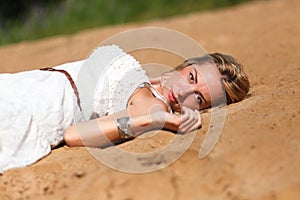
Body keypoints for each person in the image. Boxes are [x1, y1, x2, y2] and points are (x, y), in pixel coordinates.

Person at [0, 45, 249, 173]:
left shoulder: (152, 104)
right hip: (25, 86)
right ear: (187, 65)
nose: (183, 92)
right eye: (192, 78)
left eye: (198, 99)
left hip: (33, 108)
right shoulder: (149, 83)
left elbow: (73, 135)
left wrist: (156, 119)